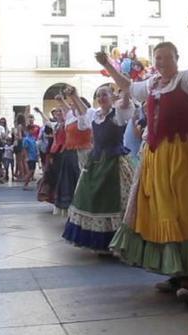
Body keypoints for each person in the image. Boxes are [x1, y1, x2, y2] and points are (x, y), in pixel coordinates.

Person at [101, 13, 188, 302]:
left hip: (184, 154)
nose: (161, 62)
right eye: (158, 57)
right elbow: (128, 86)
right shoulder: (152, 85)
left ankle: (187, 278)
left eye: (166, 57)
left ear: (177, 59)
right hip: (156, 154)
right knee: (162, 212)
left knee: (185, 211)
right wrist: (107, 66)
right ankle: (174, 273)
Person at [62, 85, 134, 252]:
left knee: (116, 200)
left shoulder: (119, 114)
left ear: (112, 97)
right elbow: (83, 111)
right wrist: (74, 95)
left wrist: (124, 87)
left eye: (104, 95)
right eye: (99, 96)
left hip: (114, 162)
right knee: (92, 198)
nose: (101, 98)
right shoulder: (95, 115)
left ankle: (118, 241)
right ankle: (100, 241)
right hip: (95, 162)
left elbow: (126, 100)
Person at [54, 88, 92, 214]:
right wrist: (61, 101)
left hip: (83, 152)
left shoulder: (85, 117)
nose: (72, 106)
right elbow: (69, 110)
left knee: (80, 181)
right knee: (69, 182)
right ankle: (72, 209)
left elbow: (81, 112)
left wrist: (74, 97)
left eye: (74, 104)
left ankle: (82, 208)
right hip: (70, 153)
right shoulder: (71, 116)